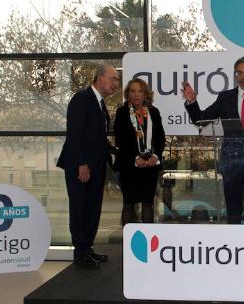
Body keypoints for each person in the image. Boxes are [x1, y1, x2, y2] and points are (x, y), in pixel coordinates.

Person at [181, 56, 244, 224]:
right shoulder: (225, 97)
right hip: (231, 161)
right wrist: (192, 101)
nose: (242, 77)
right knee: (233, 209)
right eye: (239, 73)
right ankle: (234, 245)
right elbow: (201, 119)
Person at [57, 63, 119, 269]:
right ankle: (80, 253)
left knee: (93, 209)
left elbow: (97, 138)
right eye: (113, 79)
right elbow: (74, 135)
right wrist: (81, 164)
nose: (116, 84)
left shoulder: (100, 103)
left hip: (97, 168)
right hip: (80, 167)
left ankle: (87, 248)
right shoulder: (81, 99)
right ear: (100, 78)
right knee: (80, 209)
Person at [114, 78, 166, 226]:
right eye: (132, 91)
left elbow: (160, 138)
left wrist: (155, 156)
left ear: (145, 94)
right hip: (128, 166)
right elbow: (120, 140)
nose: (136, 94)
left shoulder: (154, 112)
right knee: (128, 204)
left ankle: (148, 246)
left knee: (147, 204)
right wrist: (135, 158)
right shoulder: (122, 112)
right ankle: (127, 246)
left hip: (149, 166)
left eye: (140, 91)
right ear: (128, 94)